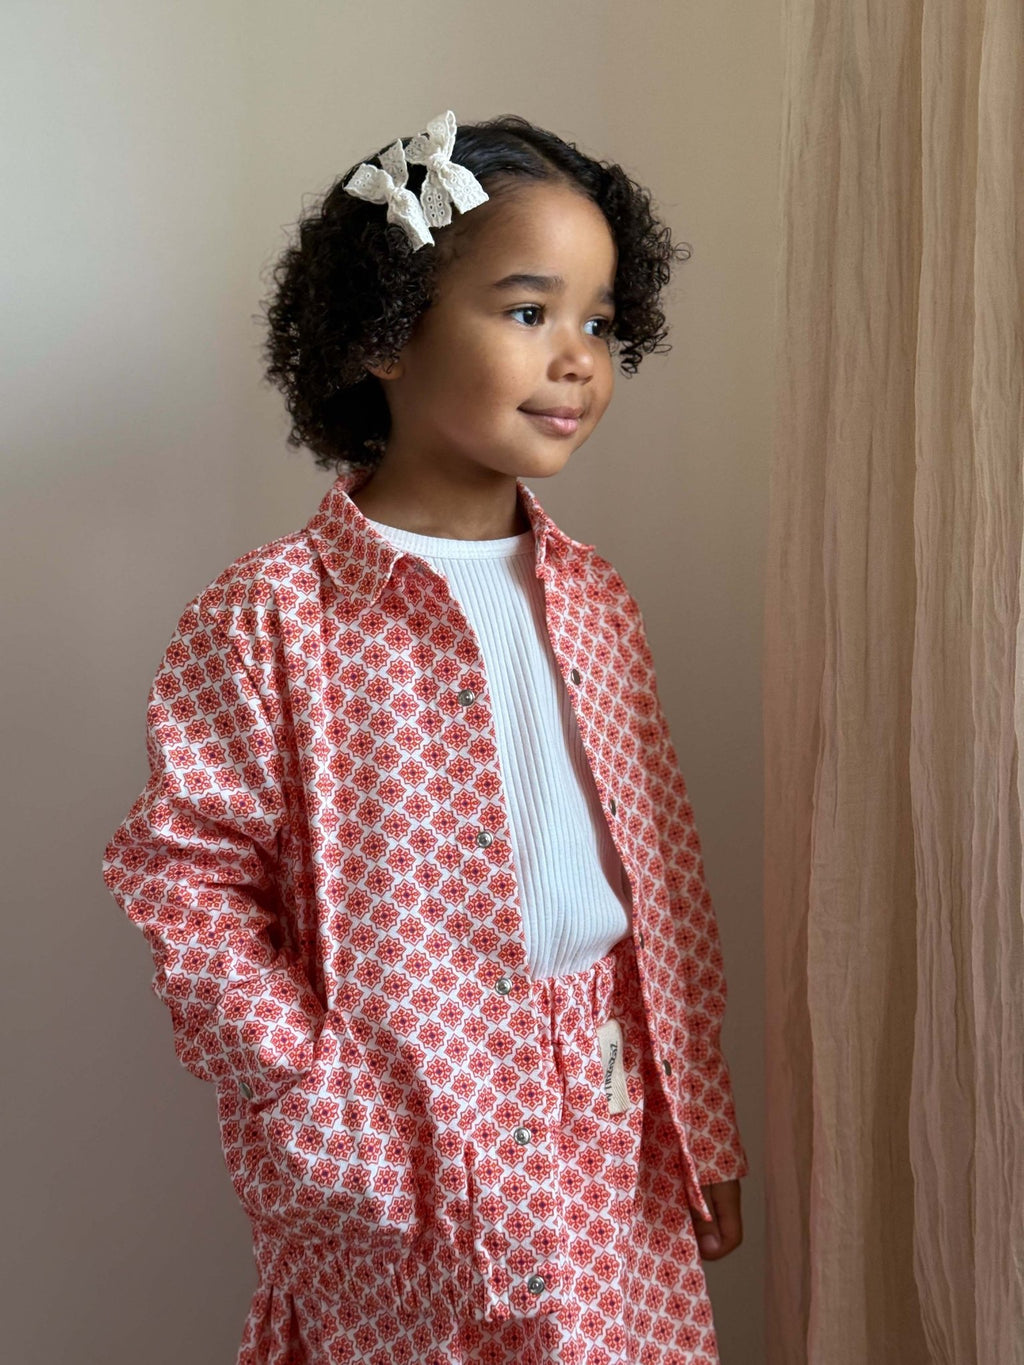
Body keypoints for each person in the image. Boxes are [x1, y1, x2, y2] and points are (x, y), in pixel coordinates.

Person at [101, 108, 749, 1365]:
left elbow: (662, 886)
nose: (576, 359)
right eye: (529, 311)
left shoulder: (598, 604)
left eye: (600, 322)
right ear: (385, 331)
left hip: (606, 1124)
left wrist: (698, 1123)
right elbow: (184, 879)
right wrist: (311, 1099)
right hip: (399, 1139)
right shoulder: (270, 617)